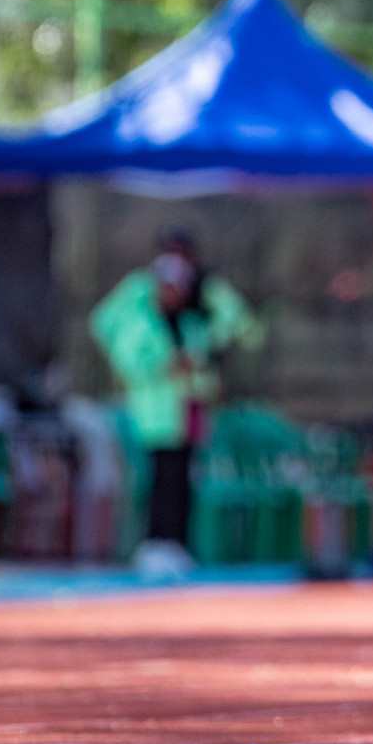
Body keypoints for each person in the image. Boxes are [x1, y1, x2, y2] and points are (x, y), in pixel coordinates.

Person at [91, 233, 259, 579]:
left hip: (187, 412)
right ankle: (155, 544)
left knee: (183, 479)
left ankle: (177, 546)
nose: (175, 292)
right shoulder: (141, 317)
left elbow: (238, 324)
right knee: (160, 479)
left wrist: (210, 286)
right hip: (156, 414)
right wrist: (162, 368)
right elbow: (122, 351)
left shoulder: (192, 321)